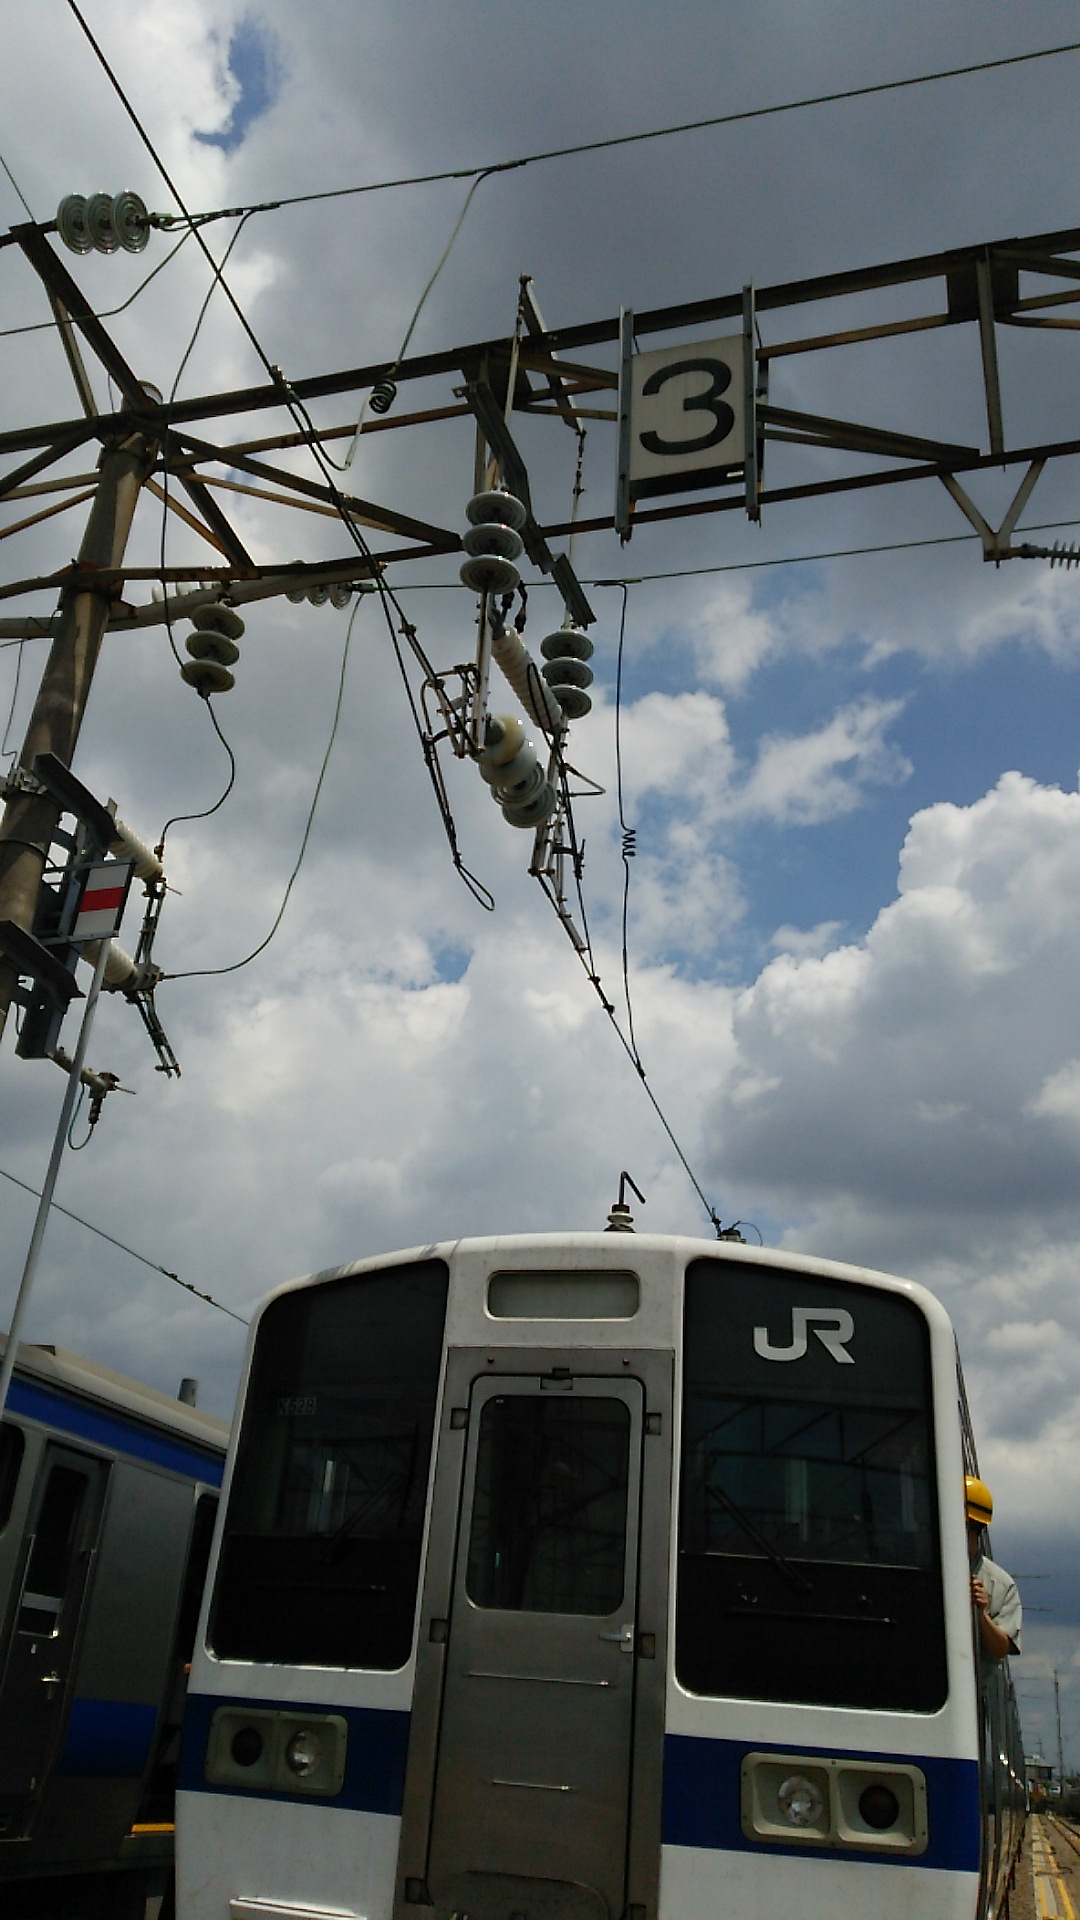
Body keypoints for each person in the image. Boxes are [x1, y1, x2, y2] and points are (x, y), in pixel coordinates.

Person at [966, 1475, 1021, 1660]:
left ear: (977, 1528)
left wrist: (981, 1613)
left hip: (977, 1679)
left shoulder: (1001, 1584)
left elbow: (1000, 1650)